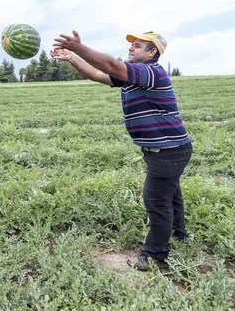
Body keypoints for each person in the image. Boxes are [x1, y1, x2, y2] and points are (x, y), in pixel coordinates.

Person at [51, 30, 192, 271]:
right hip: (166, 150)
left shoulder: (150, 72)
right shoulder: (133, 76)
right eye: (131, 45)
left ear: (152, 52)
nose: (131, 48)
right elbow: (99, 74)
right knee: (171, 194)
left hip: (168, 151)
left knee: (157, 202)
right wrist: (72, 58)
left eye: (137, 46)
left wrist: (78, 48)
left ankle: (155, 256)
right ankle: (180, 235)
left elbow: (110, 64)